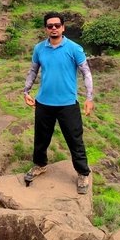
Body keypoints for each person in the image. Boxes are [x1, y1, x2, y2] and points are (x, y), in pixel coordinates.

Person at [22, 12, 94, 194]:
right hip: (44, 102)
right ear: (45, 29)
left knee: (74, 139)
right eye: (49, 26)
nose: (53, 28)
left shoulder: (74, 48)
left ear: (63, 27)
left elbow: (86, 73)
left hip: (68, 103)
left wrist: (89, 98)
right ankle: (39, 165)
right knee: (41, 137)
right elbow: (33, 71)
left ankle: (83, 173)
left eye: (56, 25)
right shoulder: (39, 49)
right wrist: (26, 91)